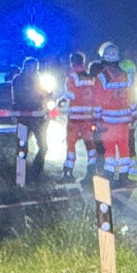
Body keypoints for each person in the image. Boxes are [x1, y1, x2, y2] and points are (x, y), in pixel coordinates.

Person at [93, 42, 137, 187]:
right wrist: (133, 115)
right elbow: (132, 98)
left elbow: (97, 101)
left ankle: (110, 178)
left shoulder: (101, 77)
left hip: (108, 121)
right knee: (124, 149)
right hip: (124, 121)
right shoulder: (126, 76)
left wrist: (97, 119)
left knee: (110, 151)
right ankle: (124, 179)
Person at [60, 52, 98, 185]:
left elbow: (70, 95)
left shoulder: (72, 77)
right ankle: (92, 169)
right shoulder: (91, 77)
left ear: (72, 62)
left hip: (75, 118)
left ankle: (68, 171)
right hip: (88, 117)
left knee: (71, 144)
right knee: (90, 144)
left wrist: (62, 99)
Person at [11, 57, 51, 176]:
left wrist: (47, 96)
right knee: (22, 147)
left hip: (37, 117)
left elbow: (43, 94)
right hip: (24, 117)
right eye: (32, 67)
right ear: (25, 67)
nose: (34, 70)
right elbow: (21, 97)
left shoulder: (38, 79)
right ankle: (20, 174)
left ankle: (36, 172)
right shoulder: (19, 80)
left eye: (36, 68)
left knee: (43, 147)